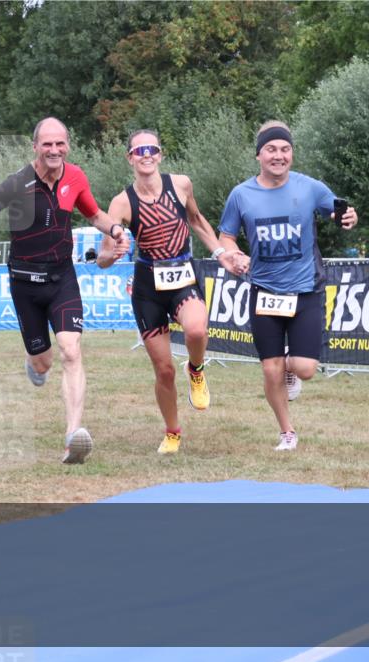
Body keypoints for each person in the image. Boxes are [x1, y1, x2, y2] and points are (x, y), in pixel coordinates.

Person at [0, 117, 129, 465]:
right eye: (47, 144)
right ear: (35, 147)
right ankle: (34, 363)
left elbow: (93, 212)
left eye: (60, 143)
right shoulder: (16, 183)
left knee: (71, 350)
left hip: (62, 278)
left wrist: (113, 228)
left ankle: (73, 437)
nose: (54, 150)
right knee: (45, 360)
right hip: (24, 283)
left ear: (68, 145)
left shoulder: (76, 177)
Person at [98, 129, 249, 454]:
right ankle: (172, 432)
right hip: (148, 288)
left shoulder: (181, 184)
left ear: (160, 154)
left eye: (151, 149)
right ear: (130, 158)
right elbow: (103, 258)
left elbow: (196, 220)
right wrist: (114, 252)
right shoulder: (121, 202)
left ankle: (195, 368)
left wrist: (221, 253)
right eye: (139, 151)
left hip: (183, 276)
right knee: (163, 370)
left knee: (196, 329)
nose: (146, 155)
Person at [218, 120, 357, 451]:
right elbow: (226, 236)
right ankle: (287, 432)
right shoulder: (241, 195)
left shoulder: (309, 188)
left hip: (305, 290)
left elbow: (339, 213)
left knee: (304, 368)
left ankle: (292, 371)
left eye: (284, 149)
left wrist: (349, 217)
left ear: (291, 154)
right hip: (264, 291)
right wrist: (234, 254)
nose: (278, 156)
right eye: (271, 150)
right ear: (259, 155)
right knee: (270, 370)